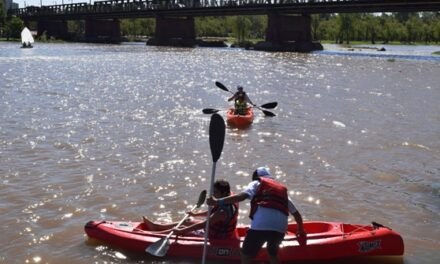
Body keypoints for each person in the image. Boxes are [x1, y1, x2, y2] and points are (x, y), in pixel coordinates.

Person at [207, 166, 306, 264]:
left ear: (257, 177)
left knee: (245, 254)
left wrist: (217, 202)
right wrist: (300, 230)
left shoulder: (256, 183)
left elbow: (241, 197)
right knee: (273, 254)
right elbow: (296, 214)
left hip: (261, 226)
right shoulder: (281, 190)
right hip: (280, 228)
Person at [143, 179, 238, 239]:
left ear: (224, 193)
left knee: (182, 228)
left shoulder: (222, 212)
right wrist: (195, 214)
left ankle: (156, 235)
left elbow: (204, 224)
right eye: (213, 191)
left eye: (216, 192)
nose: (213, 194)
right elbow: (211, 212)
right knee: (188, 220)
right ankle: (156, 227)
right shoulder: (228, 198)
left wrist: (181, 231)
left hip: (216, 237)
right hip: (213, 228)